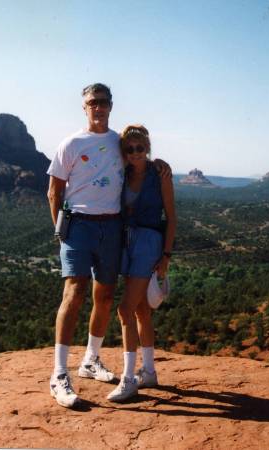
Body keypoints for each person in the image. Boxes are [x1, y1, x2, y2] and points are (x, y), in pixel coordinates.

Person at [47, 84, 170, 408]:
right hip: (79, 227)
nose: (98, 107)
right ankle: (59, 374)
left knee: (104, 295)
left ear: (110, 106)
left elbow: (138, 155)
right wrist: (61, 232)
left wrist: (160, 165)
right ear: (84, 107)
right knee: (74, 293)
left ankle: (91, 360)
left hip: (113, 226)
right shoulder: (70, 143)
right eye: (92, 102)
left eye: (103, 102)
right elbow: (53, 192)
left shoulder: (118, 143)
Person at [107, 125, 176, 402]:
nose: (135, 153)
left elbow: (171, 217)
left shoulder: (159, 174)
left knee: (124, 309)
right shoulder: (121, 174)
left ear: (147, 147)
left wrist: (166, 255)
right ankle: (148, 372)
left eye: (140, 148)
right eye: (130, 148)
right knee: (140, 310)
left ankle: (128, 379)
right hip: (126, 242)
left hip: (148, 243)